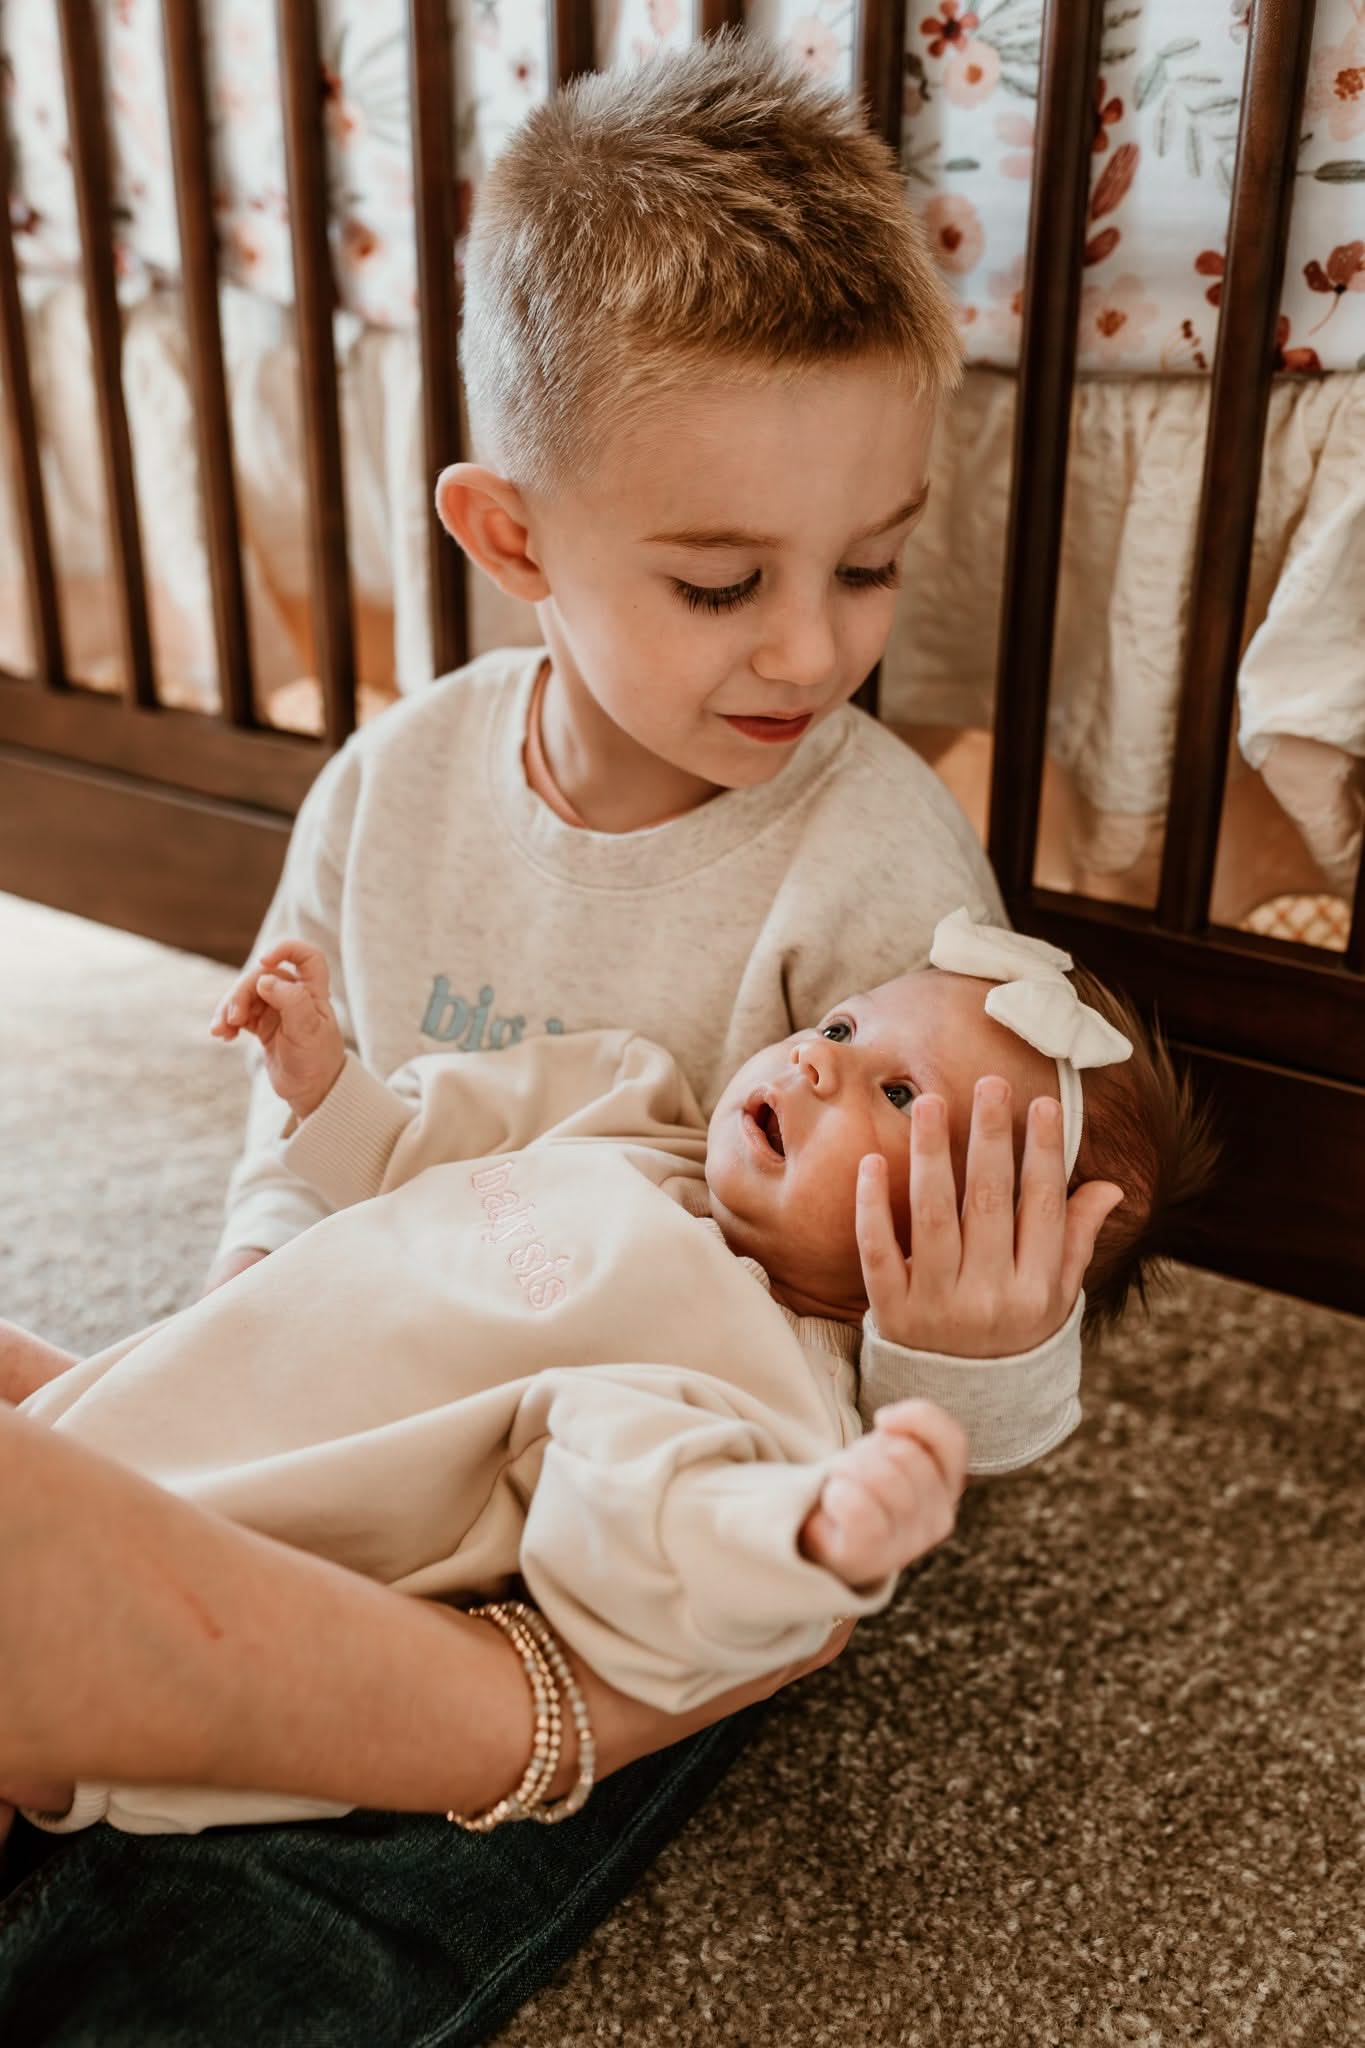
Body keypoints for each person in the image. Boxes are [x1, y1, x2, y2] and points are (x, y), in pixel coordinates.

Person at [0, 35, 1148, 2042]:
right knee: (127, 1425)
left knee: (277, 1861)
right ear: (510, 537)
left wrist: (966, 1360)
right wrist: (267, 1310)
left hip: (625, 1492)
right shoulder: (399, 781)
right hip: (398, 1348)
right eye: (722, 584)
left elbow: (937, 1338)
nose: (809, 648)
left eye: (869, 565)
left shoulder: (875, 860)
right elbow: (309, 1147)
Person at [7, 908, 1211, 1848]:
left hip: (233, 1563)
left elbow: (651, 1523)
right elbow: (420, 1146)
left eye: (900, 1096)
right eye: (843, 1028)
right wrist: (328, 1078)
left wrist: (810, 1528)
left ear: (963, 1248)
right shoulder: (630, 1102)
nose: (819, 1065)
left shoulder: (758, 1371)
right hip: (185, 1378)